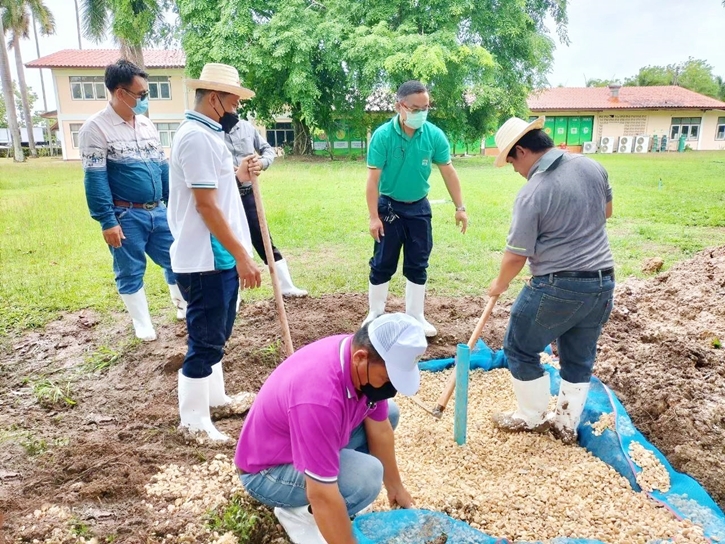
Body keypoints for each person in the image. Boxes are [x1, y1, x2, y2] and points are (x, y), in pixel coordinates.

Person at [236, 313, 426, 544]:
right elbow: (322, 494)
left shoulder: (359, 357)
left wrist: (395, 487)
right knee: (366, 477)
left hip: (300, 442)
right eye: (388, 378)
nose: (391, 387)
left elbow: (380, 429)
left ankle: (327, 487)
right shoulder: (319, 398)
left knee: (390, 412)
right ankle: (297, 513)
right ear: (360, 358)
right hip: (267, 472)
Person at [487, 116, 615, 444]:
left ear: (522, 150)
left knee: (519, 346)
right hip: (602, 283)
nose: (515, 170)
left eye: (512, 161)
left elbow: (516, 255)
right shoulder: (591, 166)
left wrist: (498, 285)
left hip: (558, 286)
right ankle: (565, 425)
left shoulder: (533, 192)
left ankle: (530, 418)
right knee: (579, 356)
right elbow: (607, 211)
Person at [168, 63, 262, 442]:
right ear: (214, 98)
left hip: (218, 256)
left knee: (217, 334)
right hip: (206, 258)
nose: (237, 106)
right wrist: (242, 255)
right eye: (234, 99)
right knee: (205, 340)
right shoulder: (195, 138)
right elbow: (206, 207)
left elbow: (220, 189)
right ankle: (192, 421)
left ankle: (216, 400)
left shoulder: (210, 135)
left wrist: (241, 172)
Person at [79, 59, 186, 342]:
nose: (144, 100)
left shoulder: (148, 125)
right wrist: (107, 220)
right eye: (140, 95)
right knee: (130, 269)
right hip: (125, 214)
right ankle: (142, 322)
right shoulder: (95, 129)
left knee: (176, 258)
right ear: (119, 92)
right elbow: (95, 178)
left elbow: (162, 166)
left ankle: (181, 305)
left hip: (158, 210)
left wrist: (172, 203)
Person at [363, 80, 468, 337]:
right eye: (415, 108)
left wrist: (460, 207)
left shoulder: (433, 135)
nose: (421, 112)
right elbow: (372, 181)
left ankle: (416, 315)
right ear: (400, 106)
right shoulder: (383, 136)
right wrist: (374, 217)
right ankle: (376, 312)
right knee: (383, 260)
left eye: (426, 107)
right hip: (389, 206)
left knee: (418, 261)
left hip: (419, 207)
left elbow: (449, 172)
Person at [224, 119, 307, 297]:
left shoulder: (246, 127)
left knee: (264, 241)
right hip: (226, 197)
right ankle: (234, 297)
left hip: (248, 194)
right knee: (228, 245)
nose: (236, 105)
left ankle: (286, 286)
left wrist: (261, 163)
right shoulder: (211, 131)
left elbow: (268, 150)